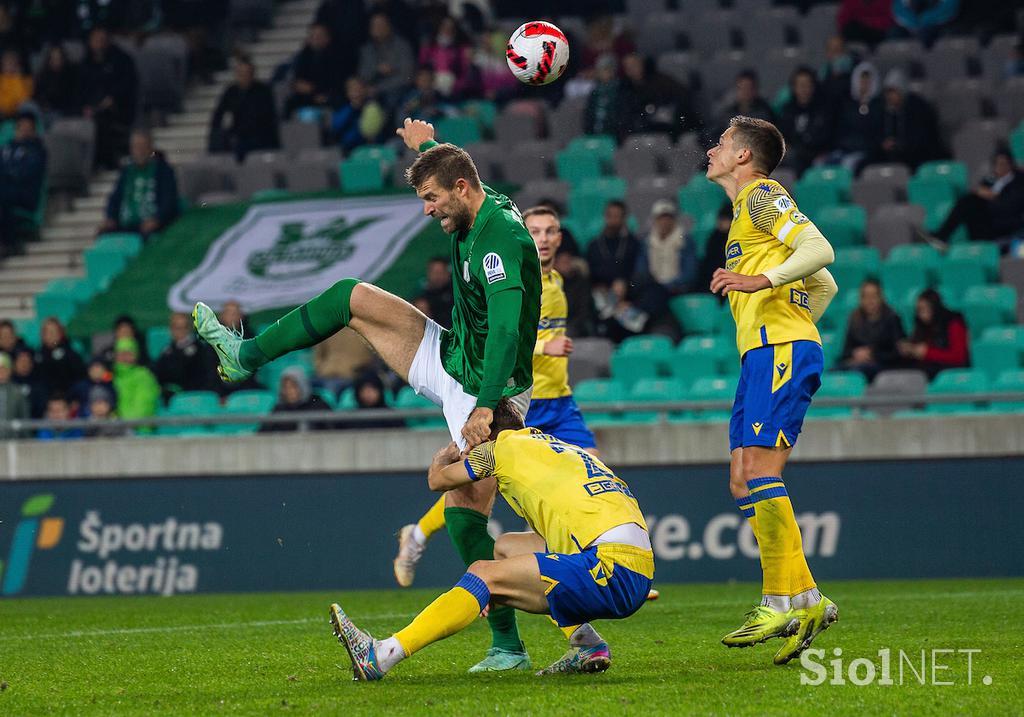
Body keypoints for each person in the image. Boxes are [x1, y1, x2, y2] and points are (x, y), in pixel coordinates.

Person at [193, 117, 541, 673]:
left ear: (461, 190)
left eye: (431, 199)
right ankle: (245, 355)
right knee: (349, 297)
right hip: (453, 355)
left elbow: (503, 331)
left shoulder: (499, 236)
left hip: (486, 388)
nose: (427, 210)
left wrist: (482, 405)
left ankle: (514, 645)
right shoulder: (476, 194)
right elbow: (453, 166)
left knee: (468, 514)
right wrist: (425, 146)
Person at [331, 398, 653, 680]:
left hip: (609, 567)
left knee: (482, 572)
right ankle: (586, 644)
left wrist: (445, 456)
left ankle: (381, 656)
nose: (466, 450)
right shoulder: (556, 447)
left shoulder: (500, 449)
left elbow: (438, 481)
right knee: (506, 548)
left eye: (467, 439)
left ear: (482, 433)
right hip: (626, 561)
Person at [393, 206, 599, 588]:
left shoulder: (557, 283)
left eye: (551, 231)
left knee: (592, 474)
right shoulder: (508, 275)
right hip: (519, 404)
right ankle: (420, 535)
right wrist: (543, 348)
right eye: (535, 231)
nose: (544, 238)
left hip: (559, 401)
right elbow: (500, 335)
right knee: (490, 485)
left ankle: (598, 563)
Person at [705, 116, 840, 665]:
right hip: (765, 353)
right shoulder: (743, 213)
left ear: (742, 156)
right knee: (743, 481)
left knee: (760, 472)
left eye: (720, 144)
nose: (711, 150)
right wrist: (797, 310)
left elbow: (821, 251)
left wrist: (762, 285)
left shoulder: (762, 194)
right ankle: (806, 596)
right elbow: (823, 287)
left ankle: (779, 598)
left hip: (778, 351)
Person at [918, 148, 1024, 250]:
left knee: (970, 202)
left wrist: (993, 196)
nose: (1000, 167)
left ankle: (941, 236)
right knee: (967, 201)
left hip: (1003, 221)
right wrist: (984, 194)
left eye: (1003, 164)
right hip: (983, 220)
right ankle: (941, 237)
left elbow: (1010, 206)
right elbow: (978, 191)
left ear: (1010, 164)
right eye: (997, 164)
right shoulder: (991, 179)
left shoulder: (1018, 181)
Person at [98, 129, 180, 240]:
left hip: (152, 225)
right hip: (125, 225)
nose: (139, 151)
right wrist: (110, 217)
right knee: (104, 234)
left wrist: (157, 219)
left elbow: (169, 201)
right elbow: (115, 198)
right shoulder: (126, 171)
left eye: (142, 147)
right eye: (136, 147)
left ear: (150, 148)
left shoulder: (163, 171)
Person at [79, 26, 138, 169]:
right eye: (95, 40)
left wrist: (112, 98)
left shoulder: (121, 59)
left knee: (101, 121)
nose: (99, 43)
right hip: (90, 108)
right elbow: (80, 89)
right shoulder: (85, 63)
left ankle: (107, 161)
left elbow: (127, 84)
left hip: (118, 109)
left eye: (102, 39)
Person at [209, 56, 280, 162]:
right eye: (241, 73)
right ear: (236, 75)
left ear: (253, 74)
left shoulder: (263, 91)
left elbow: (268, 116)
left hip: (261, 136)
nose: (244, 76)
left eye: (247, 73)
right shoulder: (231, 92)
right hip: (239, 137)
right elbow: (218, 115)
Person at [872, 68, 942, 170]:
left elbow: (922, 139)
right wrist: (883, 144)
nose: (889, 96)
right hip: (890, 155)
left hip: (917, 155)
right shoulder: (883, 109)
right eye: (887, 92)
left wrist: (900, 144)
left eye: (893, 91)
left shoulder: (918, 108)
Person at [0, 111, 47, 257]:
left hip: (25, 194)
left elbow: (26, 173)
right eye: (21, 127)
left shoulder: (37, 150)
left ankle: (9, 243)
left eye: (28, 128)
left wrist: (8, 174)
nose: (24, 131)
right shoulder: (6, 149)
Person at [839, 278, 906, 380]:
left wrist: (872, 355)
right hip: (858, 364)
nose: (870, 301)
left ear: (881, 297)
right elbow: (845, 352)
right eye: (865, 297)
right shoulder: (854, 319)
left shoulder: (892, 318)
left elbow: (898, 352)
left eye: (873, 296)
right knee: (834, 370)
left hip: (883, 366)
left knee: (859, 370)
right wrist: (855, 354)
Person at [897, 288, 969, 378]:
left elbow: (959, 357)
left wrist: (928, 353)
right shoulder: (921, 325)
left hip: (949, 369)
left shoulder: (953, 322)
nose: (921, 314)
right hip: (928, 367)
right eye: (919, 310)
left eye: (925, 309)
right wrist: (910, 350)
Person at [777, 67, 832, 175]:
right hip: (793, 155)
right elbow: (782, 135)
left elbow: (826, 136)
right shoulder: (788, 110)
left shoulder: (823, 110)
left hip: (817, 154)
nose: (804, 89)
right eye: (801, 85)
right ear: (794, 88)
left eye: (808, 85)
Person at [636, 199, 698, 297]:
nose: (664, 222)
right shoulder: (647, 242)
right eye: (661, 218)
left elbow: (689, 272)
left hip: (678, 288)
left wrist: (669, 285)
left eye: (668, 218)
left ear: (674, 220)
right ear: (655, 220)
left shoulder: (685, 241)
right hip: (653, 287)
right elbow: (641, 269)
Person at [153, 311, 219, 401]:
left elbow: (207, 377)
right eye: (176, 327)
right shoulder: (166, 351)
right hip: (171, 399)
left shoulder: (202, 350)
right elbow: (158, 374)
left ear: (190, 328)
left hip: (195, 398)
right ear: (171, 329)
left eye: (184, 327)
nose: (181, 331)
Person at [832, 61, 882, 173]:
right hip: (846, 149)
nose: (864, 83)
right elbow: (841, 131)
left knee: (848, 165)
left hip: (867, 152)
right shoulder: (847, 105)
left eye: (867, 80)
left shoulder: (879, 106)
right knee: (822, 164)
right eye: (861, 79)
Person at [358, 13, 415, 109]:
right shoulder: (366, 49)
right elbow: (362, 75)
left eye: (381, 25)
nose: (378, 28)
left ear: (389, 26)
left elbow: (407, 77)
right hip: (371, 94)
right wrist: (377, 69)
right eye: (375, 25)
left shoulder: (402, 46)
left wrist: (379, 88)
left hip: (397, 92)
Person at [284, 23, 342, 118]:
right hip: (306, 96)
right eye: (313, 36)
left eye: (319, 36)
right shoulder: (304, 56)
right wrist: (299, 85)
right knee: (289, 105)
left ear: (328, 38)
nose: (316, 39)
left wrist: (314, 89)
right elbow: (297, 80)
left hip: (327, 95)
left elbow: (335, 81)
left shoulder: (336, 57)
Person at [417, 15, 475, 99]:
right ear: (439, 28)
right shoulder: (428, 47)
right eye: (444, 27)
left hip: (452, 91)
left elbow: (464, 75)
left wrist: (455, 86)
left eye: (450, 28)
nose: (447, 31)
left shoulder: (460, 50)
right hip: (430, 88)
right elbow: (422, 68)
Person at [260, 367, 333, 432]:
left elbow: (333, 431)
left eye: (293, 386)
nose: (289, 391)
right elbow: (262, 434)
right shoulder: (279, 409)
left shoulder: (318, 405)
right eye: (285, 387)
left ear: (302, 386)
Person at [111, 337, 160, 425]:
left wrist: (126, 424)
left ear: (135, 355)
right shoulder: (112, 377)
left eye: (128, 353)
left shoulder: (144, 375)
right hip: (116, 430)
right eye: (121, 353)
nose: (124, 357)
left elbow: (144, 405)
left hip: (140, 430)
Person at [329, 77, 386, 152]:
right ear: (347, 92)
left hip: (371, 148)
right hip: (349, 149)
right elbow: (336, 127)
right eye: (353, 90)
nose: (357, 93)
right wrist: (352, 108)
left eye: (359, 89)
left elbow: (377, 130)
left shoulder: (373, 107)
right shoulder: (343, 108)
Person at [35, 318, 86, 396]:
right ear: (42, 335)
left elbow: (80, 380)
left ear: (61, 333)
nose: (50, 335)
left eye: (53, 332)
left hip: (66, 400)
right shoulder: (37, 356)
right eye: (47, 332)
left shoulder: (72, 356)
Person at [33, 45, 80, 118]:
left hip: (64, 111)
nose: (56, 61)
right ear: (49, 60)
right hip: (45, 111)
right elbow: (38, 95)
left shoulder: (71, 75)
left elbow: (72, 97)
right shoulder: (42, 75)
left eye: (59, 58)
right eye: (53, 58)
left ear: (63, 59)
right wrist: (43, 105)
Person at [0, 351, 29, 438]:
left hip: (12, 441)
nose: (1, 372)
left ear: (9, 370)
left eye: (3, 368)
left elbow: (24, 418)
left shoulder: (17, 392)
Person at [421, 256, 454, 329]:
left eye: (441, 272)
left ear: (448, 273)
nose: (438, 276)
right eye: (435, 272)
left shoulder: (455, 292)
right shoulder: (423, 296)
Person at [0, 49, 32, 118]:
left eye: (12, 63)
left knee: (29, 106)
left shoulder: (25, 80)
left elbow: (23, 99)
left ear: (17, 65)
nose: (9, 66)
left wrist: (18, 78)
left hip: (18, 111)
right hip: (2, 110)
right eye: (7, 63)